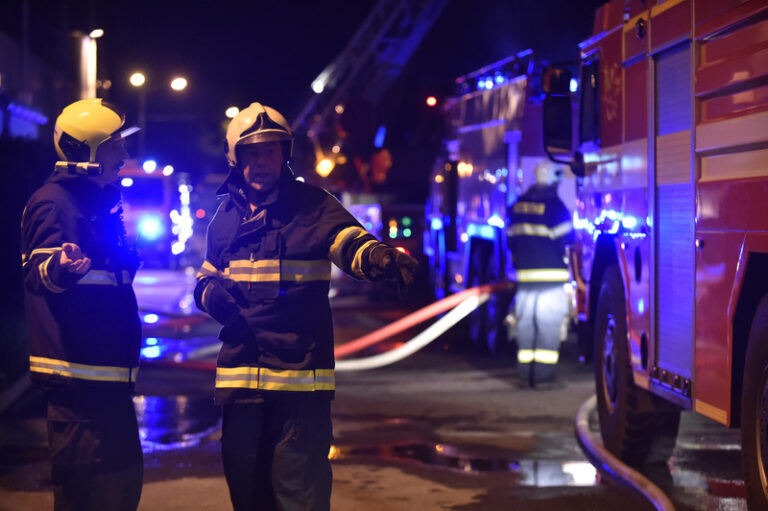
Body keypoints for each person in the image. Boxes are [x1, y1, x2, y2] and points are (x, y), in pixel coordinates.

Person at [194, 102, 419, 511]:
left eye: (270, 151)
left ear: (285, 155)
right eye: (252, 153)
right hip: (241, 385)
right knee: (249, 497)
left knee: (299, 495)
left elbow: (348, 242)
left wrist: (381, 259)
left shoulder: (314, 207)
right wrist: (212, 297)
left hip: (300, 385)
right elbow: (206, 277)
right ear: (235, 159)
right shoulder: (224, 219)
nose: (262, 162)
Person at [20, 98, 143, 510]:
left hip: (106, 387)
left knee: (120, 494)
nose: (123, 154)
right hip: (78, 393)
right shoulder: (53, 201)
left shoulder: (99, 200)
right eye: (114, 146)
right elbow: (38, 272)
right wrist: (59, 266)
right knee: (89, 499)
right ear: (85, 150)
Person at [507, 159, 574, 387]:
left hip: (525, 281)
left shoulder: (518, 205)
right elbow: (568, 240)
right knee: (548, 328)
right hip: (552, 280)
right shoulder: (555, 206)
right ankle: (544, 378)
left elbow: (511, 241)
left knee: (525, 327)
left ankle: (525, 375)